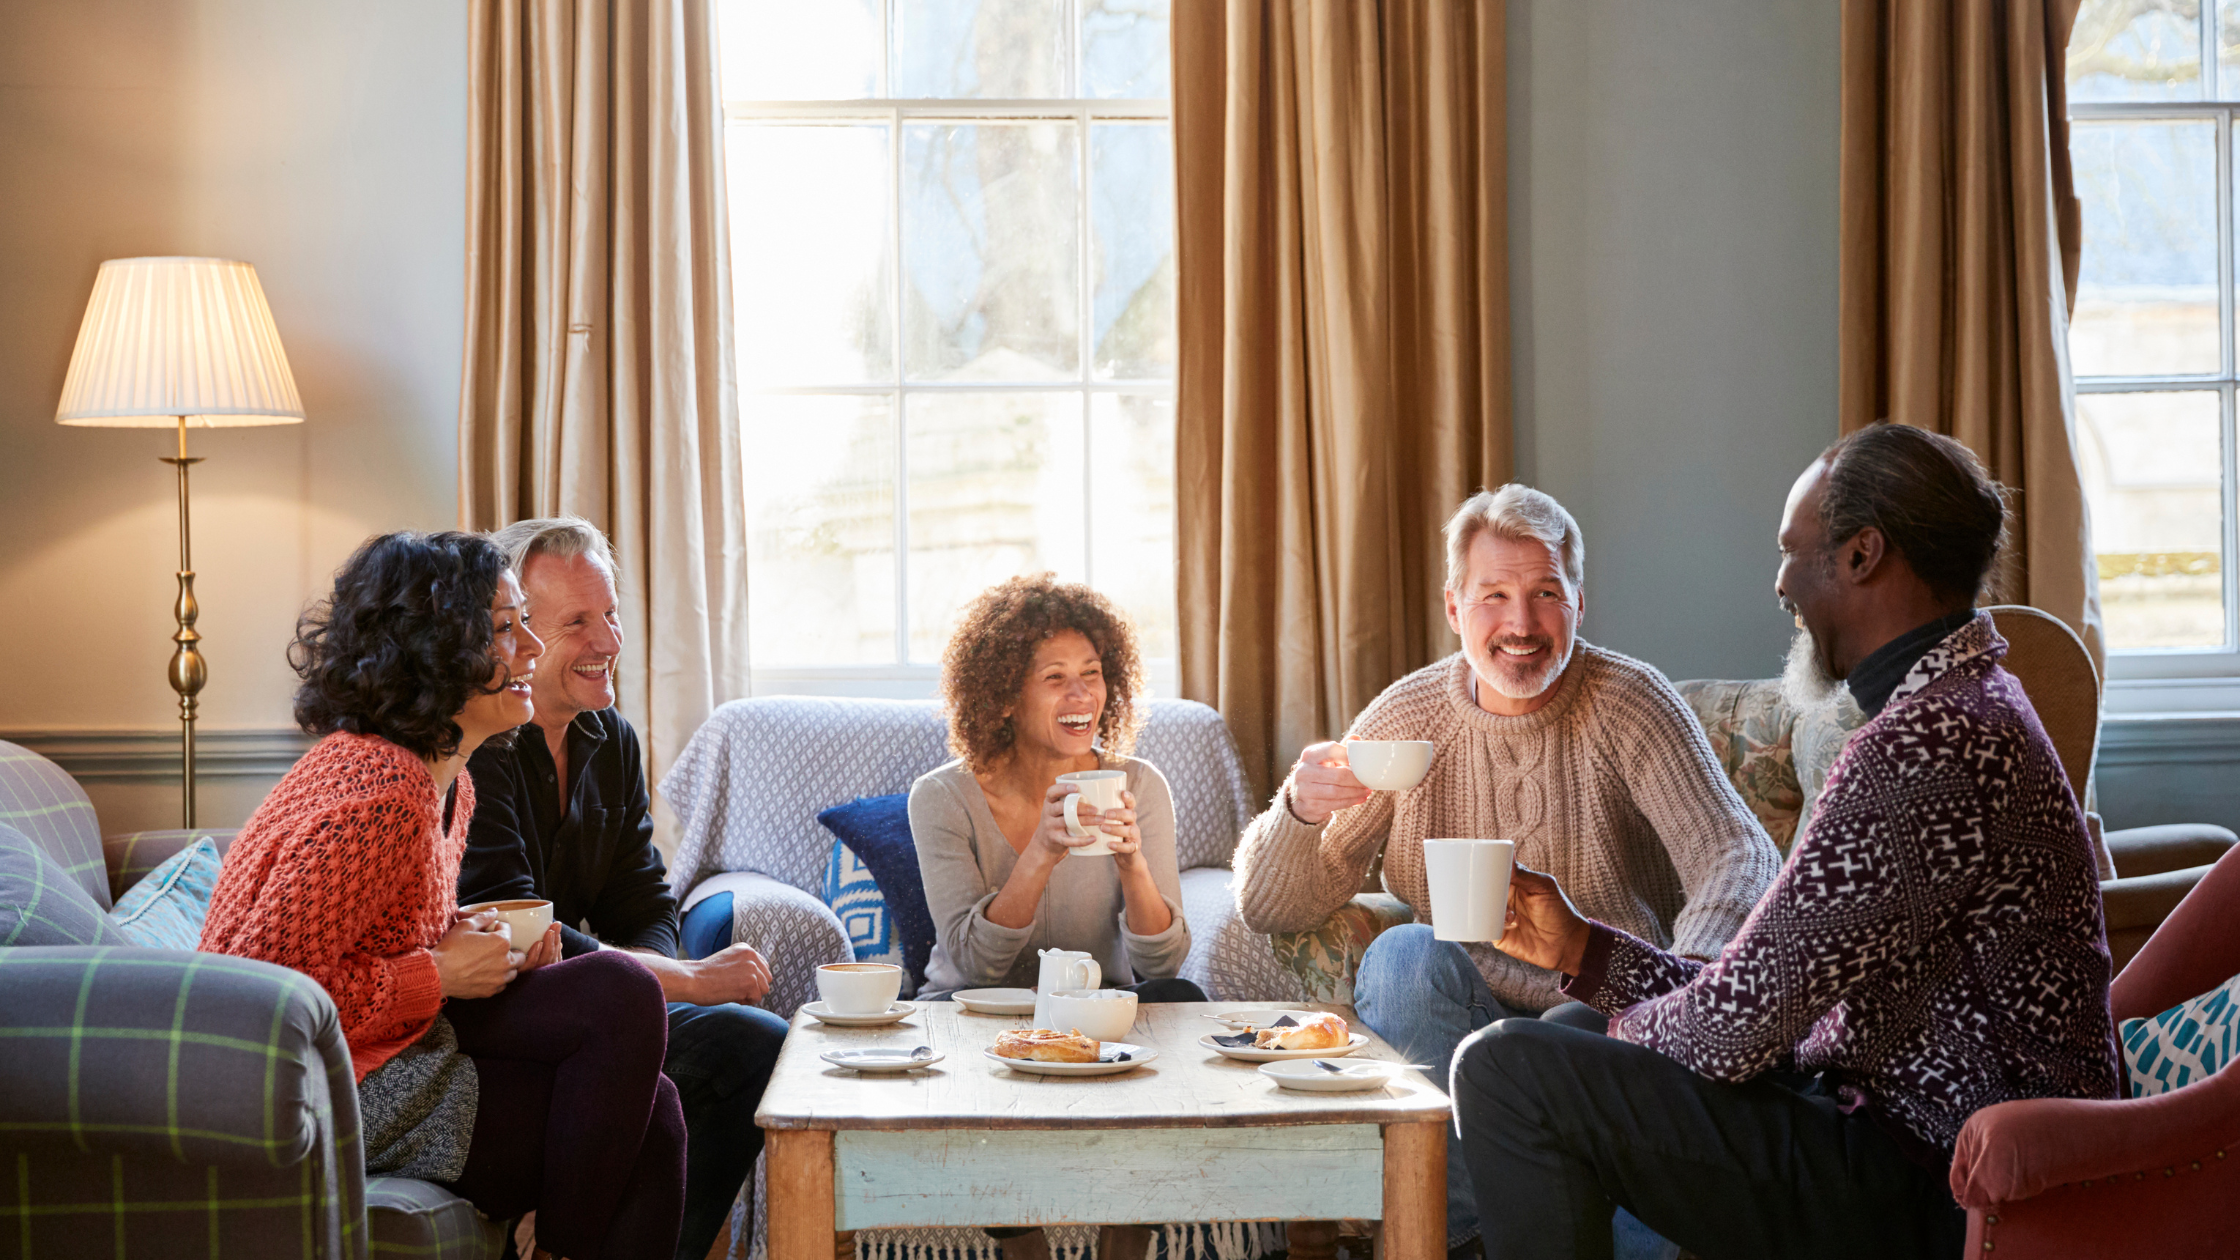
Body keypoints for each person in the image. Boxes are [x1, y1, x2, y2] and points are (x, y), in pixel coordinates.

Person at [1452, 424, 2124, 1260]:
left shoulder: (1925, 747)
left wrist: (1627, 1030)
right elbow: (1762, 995)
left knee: (1507, 1069)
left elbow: (1737, 1029)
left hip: (1940, 1182)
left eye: (1792, 551)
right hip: (1888, 1119)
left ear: (1861, 555)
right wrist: (1585, 950)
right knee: (1570, 1036)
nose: (1779, 582)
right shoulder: (1966, 700)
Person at [1230, 484, 1783, 1251]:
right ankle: (1460, 1239)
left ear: (1579, 604)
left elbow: (1738, 850)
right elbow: (1269, 906)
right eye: (1494, 595)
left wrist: (1686, 979)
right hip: (1459, 1012)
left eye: (1544, 593)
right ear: (1455, 608)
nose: (1521, 624)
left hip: (1595, 1012)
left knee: (1579, 1047)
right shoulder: (1410, 718)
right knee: (1401, 957)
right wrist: (1299, 810)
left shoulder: (1630, 702)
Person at [201, 531, 683, 1259]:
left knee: (627, 1024)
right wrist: (438, 973)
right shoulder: (380, 797)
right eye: (503, 628)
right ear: (433, 651)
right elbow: (260, 1003)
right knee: (636, 1054)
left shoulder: (444, 780)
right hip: (336, 1089)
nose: (530, 647)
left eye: (524, 621)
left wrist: (476, 941)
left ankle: (559, 1236)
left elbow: (375, 930)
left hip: (390, 1046)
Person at [457, 516, 786, 1260]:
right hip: (508, 1013)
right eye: (578, 622)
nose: (607, 641)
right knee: (707, 1046)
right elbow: (519, 928)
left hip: (602, 1008)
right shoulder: (479, 747)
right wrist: (687, 981)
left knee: (755, 1050)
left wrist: (650, 990)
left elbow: (643, 900)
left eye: (610, 615)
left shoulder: (612, 740)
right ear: (515, 635)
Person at [909, 573, 1203, 1260]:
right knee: (965, 1035)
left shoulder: (1139, 785)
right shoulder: (942, 798)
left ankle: (1123, 1244)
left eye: (1093, 675)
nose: (1082, 697)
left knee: (1180, 1001)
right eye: (1055, 678)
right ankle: (1025, 1248)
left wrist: (1132, 863)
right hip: (974, 1011)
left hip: (1099, 1010)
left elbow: (1162, 965)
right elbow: (975, 962)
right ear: (1005, 695)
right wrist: (1040, 852)